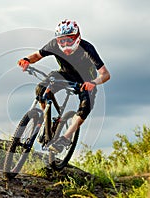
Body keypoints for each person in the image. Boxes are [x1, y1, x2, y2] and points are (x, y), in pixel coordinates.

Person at [17, 19, 110, 153]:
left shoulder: (87, 49)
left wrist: (93, 83)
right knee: (40, 89)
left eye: (69, 40)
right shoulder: (54, 45)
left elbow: (105, 74)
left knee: (85, 107)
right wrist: (26, 60)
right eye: (62, 41)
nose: (65, 44)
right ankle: (45, 122)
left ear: (77, 38)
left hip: (86, 80)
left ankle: (66, 138)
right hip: (64, 74)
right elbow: (37, 55)